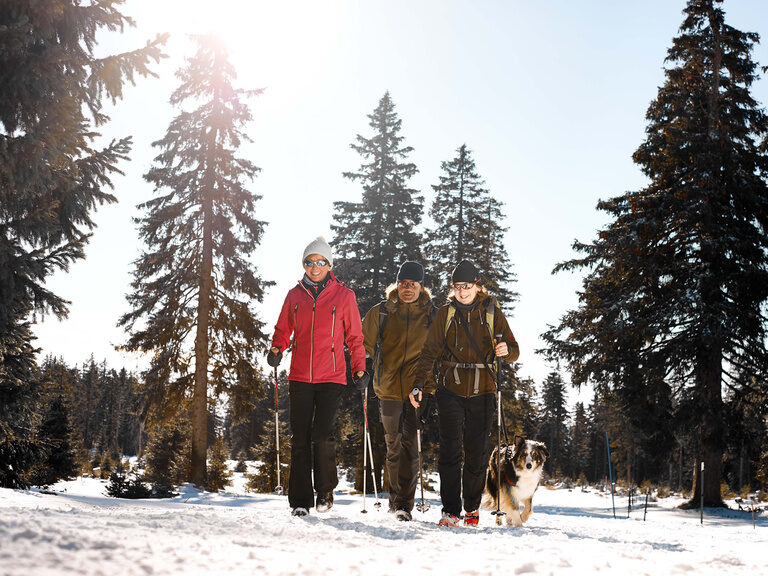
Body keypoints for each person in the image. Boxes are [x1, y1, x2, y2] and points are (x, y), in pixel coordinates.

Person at [410, 260, 519, 527]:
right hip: (451, 390)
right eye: (457, 286)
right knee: (449, 452)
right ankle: (450, 511)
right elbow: (429, 351)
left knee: (477, 454)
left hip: (484, 391)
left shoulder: (491, 312)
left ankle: (471, 508)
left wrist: (506, 350)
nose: (462, 291)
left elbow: (514, 349)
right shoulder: (446, 314)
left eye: (467, 286)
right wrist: (418, 383)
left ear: (477, 286)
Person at [268, 236, 368, 517]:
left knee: (322, 436)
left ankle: (325, 491)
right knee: (299, 438)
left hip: (331, 377)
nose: (315, 267)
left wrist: (359, 368)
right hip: (300, 376)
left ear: (329, 265)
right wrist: (276, 348)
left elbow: (355, 337)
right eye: (309, 262)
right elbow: (283, 329)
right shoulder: (294, 295)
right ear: (304, 265)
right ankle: (300, 501)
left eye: (320, 262)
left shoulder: (344, 296)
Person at [361, 261, 435, 522]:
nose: (408, 288)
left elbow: (440, 349)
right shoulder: (381, 312)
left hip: (418, 390)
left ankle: (404, 505)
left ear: (421, 287)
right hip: (388, 389)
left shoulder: (431, 315)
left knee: (411, 446)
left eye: (413, 284)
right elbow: (363, 343)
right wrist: (363, 369)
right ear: (397, 284)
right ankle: (394, 503)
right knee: (393, 445)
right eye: (404, 283)